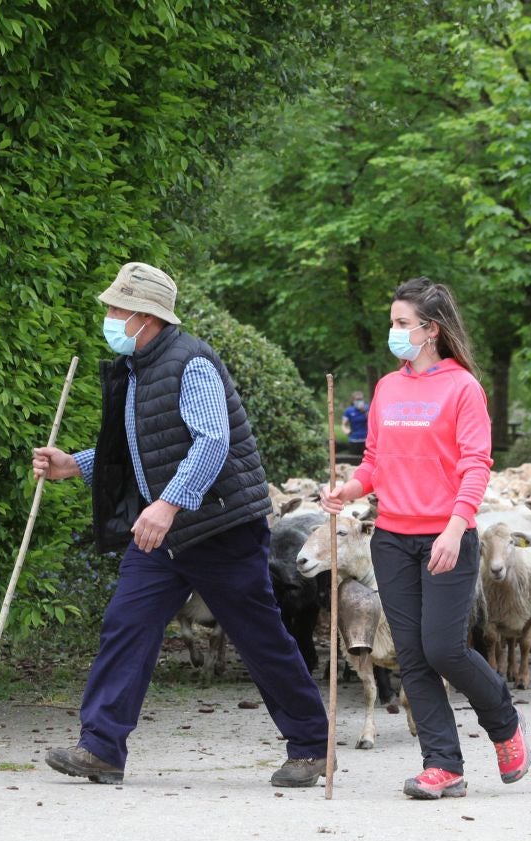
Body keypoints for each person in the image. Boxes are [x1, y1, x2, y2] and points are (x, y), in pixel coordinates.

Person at [33, 261, 330, 788]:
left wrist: (167, 504)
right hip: (163, 531)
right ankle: (100, 749)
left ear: (145, 316)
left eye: (115, 308)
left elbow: (211, 441)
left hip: (219, 527)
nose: (108, 316)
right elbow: (138, 448)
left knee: (260, 637)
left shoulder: (190, 361)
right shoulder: (137, 368)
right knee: (126, 625)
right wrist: (73, 464)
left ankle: (311, 748)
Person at [318, 277, 529, 800]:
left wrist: (456, 528)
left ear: (430, 331)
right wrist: (348, 489)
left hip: (447, 536)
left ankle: (503, 721)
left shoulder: (463, 388)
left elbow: (476, 465)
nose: (393, 332)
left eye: (401, 324)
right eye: (392, 322)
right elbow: (374, 463)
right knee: (410, 655)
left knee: (443, 648)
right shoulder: (389, 388)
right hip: (390, 538)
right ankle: (443, 766)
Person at [341, 390, 369, 463]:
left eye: (361, 399)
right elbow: (344, 424)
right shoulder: (349, 411)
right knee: (353, 461)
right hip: (354, 440)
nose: (359, 401)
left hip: (366, 440)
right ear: (353, 400)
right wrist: (346, 430)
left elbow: (372, 420)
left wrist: (363, 411)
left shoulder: (367, 408)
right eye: (357, 399)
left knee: (366, 460)